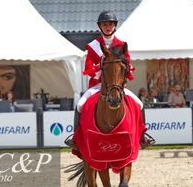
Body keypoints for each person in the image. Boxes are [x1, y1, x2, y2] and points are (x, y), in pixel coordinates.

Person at [65, 11, 153, 149]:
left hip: (117, 85)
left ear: (114, 26)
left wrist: (127, 69)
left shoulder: (122, 45)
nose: (108, 27)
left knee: (139, 103)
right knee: (80, 104)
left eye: (110, 24)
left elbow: (127, 64)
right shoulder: (93, 46)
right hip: (98, 85)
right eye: (105, 24)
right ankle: (75, 137)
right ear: (100, 26)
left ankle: (143, 136)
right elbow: (88, 68)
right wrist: (100, 69)